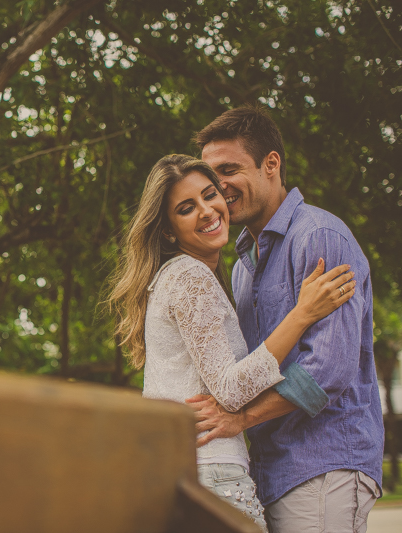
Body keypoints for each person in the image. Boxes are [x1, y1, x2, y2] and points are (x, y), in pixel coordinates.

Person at [108, 154, 355, 531]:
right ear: (169, 231)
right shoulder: (190, 277)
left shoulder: (179, 277)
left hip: (187, 470)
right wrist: (302, 314)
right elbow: (230, 388)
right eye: (187, 208)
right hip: (212, 471)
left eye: (210, 195)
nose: (207, 211)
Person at [187, 105, 384, 532]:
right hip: (266, 473)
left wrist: (240, 419)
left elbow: (327, 369)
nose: (218, 187)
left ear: (271, 164)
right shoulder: (241, 266)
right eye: (209, 175)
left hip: (323, 463)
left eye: (229, 169)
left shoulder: (317, 237)